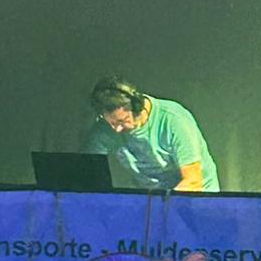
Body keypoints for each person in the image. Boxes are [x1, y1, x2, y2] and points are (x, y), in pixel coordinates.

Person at [84, 78, 220, 192]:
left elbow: (193, 181)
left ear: (137, 107)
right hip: (151, 199)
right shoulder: (104, 128)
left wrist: (161, 208)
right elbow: (88, 174)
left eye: (122, 121)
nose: (117, 129)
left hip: (198, 198)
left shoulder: (174, 120)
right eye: (111, 123)